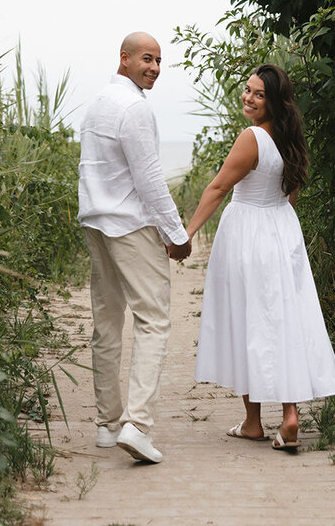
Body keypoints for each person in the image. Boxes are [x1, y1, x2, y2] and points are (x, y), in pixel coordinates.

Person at [187, 64, 335, 452]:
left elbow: (220, 186)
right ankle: (267, 419)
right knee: (280, 319)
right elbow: (291, 193)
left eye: (259, 94)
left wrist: (185, 234)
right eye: (248, 90)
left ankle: (269, 419)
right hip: (282, 230)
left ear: (273, 101)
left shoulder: (252, 137)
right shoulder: (290, 138)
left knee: (249, 319)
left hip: (248, 234)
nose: (249, 98)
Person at [77, 31, 192, 464]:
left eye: (160, 61)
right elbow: (149, 180)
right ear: (123, 58)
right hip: (128, 226)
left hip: (96, 223)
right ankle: (137, 425)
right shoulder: (134, 108)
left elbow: (91, 169)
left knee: (107, 321)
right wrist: (176, 235)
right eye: (147, 59)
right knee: (154, 320)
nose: (155, 68)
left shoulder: (97, 105)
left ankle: (108, 425)